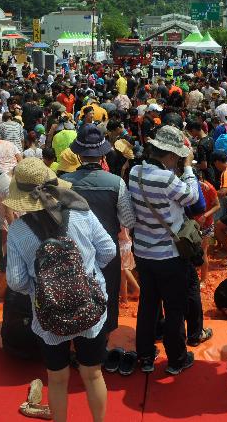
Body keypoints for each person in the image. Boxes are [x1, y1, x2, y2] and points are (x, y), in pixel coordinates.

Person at [5, 157, 116, 422]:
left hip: (49, 316)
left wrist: (44, 286)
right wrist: (88, 273)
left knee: (56, 379)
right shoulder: (81, 213)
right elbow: (109, 250)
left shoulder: (18, 230)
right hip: (89, 305)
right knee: (93, 373)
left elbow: (16, 281)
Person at [128, 125, 200, 375]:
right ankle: (176, 359)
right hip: (169, 254)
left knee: (148, 305)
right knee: (174, 308)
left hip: (144, 253)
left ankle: (145, 356)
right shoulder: (167, 178)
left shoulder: (135, 172)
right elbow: (192, 197)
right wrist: (189, 168)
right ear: (170, 156)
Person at [61, 125, 136, 341]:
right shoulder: (116, 183)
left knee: (75, 293)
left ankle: (78, 338)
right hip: (108, 251)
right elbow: (128, 220)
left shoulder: (65, 182)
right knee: (108, 294)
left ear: (78, 154)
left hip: (74, 249)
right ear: (103, 154)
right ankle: (101, 341)